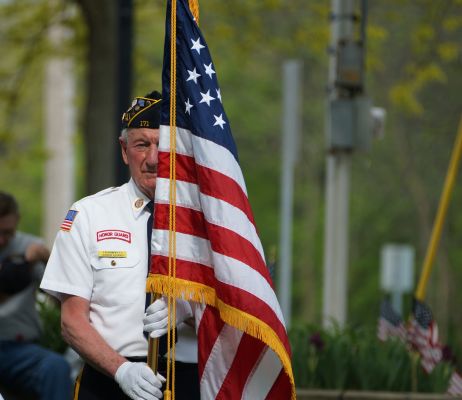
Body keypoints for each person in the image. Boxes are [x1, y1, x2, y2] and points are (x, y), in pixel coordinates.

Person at [40, 91, 200, 400]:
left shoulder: (209, 223)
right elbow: (71, 320)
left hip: (191, 380)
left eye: (163, 146)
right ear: (124, 150)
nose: (154, 159)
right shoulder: (89, 215)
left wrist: (189, 309)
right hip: (109, 379)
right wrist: (122, 370)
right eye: (142, 144)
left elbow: (238, 312)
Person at [0, 191, 72, 400]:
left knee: (56, 367)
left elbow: (61, 298)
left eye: (8, 232)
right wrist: (22, 263)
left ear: (17, 220)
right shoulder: (26, 254)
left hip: (19, 349)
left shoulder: (30, 245)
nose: (2, 240)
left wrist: (48, 260)